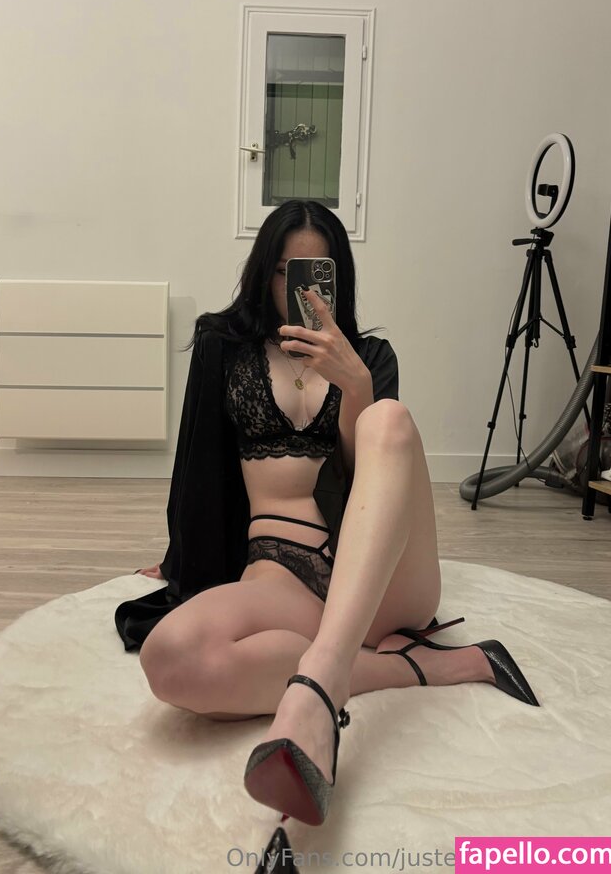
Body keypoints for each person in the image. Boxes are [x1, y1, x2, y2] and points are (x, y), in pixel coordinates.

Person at [115, 199, 539, 829]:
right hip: (280, 576)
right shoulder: (223, 345)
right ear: (265, 272)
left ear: (340, 276)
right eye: (287, 272)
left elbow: (369, 480)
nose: (303, 291)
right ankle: (424, 665)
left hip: (381, 577)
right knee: (170, 657)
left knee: (387, 420)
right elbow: (197, 460)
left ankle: (320, 675)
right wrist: (181, 557)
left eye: (321, 273)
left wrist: (356, 386)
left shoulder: (370, 356)